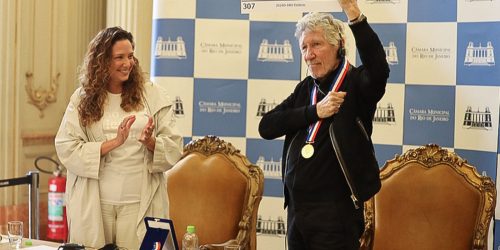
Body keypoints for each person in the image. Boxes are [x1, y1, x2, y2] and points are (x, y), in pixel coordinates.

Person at [258, 0, 390, 249]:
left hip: (336, 218)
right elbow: (267, 126)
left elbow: (379, 69)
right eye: (304, 47)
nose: (309, 54)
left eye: (316, 44)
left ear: (338, 45)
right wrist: (314, 112)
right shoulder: (305, 89)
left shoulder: (356, 83)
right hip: (297, 213)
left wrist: (353, 13)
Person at [55, 27, 183, 249]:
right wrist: (112, 143)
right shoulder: (82, 99)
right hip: (95, 204)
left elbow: (174, 148)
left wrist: (150, 142)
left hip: (139, 204)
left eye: (131, 56)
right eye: (119, 57)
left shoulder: (152, 95)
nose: (128, 63)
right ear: (102, 61)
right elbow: (66, 147)